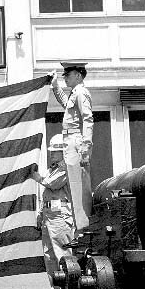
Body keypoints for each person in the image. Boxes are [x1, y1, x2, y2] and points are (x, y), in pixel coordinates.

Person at [49, 61, 93, 231]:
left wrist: (85, 147)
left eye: (68, 74)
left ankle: (83, 229)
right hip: (71, 141)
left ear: (78, 75)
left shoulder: (81, 92)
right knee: (73, 187)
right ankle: (79, 228)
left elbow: (88, 119)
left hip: (76, 141)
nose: (65, 77)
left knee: (78, 187)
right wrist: (55, 86)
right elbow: (66, 104)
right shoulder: (75, 93)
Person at [31, 134, 74, 289]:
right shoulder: (53, 169)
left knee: (62, 253)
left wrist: (36, 176)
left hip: (60, 216)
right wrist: (40, 214)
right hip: (49, 216)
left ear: (63, 152)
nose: (52, 154)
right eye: (51, 151)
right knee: (49, 255)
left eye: (55, 151)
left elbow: (51, 184)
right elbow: (45, 195)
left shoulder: (66, 168)